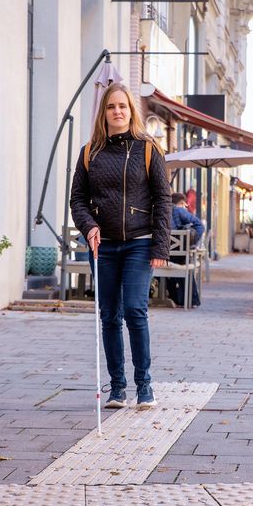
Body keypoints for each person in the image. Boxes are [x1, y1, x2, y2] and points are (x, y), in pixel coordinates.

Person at [70, 82, 172, 410]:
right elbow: (77, 199)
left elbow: (163, 199)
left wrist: (159, 247)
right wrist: (89, 226)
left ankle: (145, 385)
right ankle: (117, 388)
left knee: (134, 311)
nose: (117, 111)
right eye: (112, 106)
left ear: (131, 112)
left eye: (123, 106)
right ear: (104, 112)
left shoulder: (148, 149)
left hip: (139, 244)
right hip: (104, 246)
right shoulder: (90, 153)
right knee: (109, 316)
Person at [167, 192, 204, 307]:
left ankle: (174, 297)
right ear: (182, 203)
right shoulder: (179, 210)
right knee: (185, 264)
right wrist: (190, 244)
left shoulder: (159, 210)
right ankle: (192, 300)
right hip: (179, 255)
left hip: (161, 254)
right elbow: (199, 226)